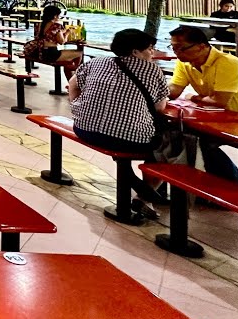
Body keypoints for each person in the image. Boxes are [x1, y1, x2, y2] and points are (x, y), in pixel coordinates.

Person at [68, 28, 169, 216]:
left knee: (132, 135)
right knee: (169, 146)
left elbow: (73, 83)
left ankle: (146, 190)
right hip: (125, 139)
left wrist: (76, 105)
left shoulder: (97, 62)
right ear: (135, 52)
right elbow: (160, 108)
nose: (153, 52)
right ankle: (145, 195)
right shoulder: (153, 70)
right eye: (149, 48)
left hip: (83, 129)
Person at [168, 25, 238, 186]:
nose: (177, 53)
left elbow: (219, 101)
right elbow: (174, 91)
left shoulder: (228, 63)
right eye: (173, 48)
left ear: (202, 46)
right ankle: (186, 185)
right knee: (177, 134)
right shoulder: (184, 63)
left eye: (181, 48)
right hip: (225, 119)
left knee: (201, 140)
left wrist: (193, 96)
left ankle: (233, 186)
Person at [31, 5, 83, 78]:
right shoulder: (56, 25)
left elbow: (49, 35)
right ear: (55, 16)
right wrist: (67, 33)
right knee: (79, 53)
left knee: (68, 62)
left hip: (40, 52)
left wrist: (62, 32)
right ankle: (76, 74)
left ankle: (72, 77)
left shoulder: (39, 25)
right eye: (59, 15)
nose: (59, 17)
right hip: (51, 54)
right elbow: (62, 42)